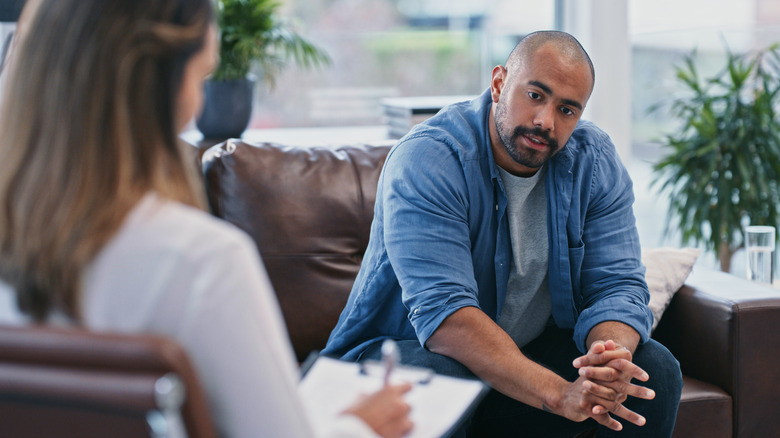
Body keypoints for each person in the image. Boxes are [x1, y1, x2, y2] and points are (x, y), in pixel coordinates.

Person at [0, 1, 413, 437]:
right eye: (201, 76)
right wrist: (358, 426)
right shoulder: (201, 261)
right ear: (162, 87)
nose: (198, 103)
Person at [323, 30, 683, 437]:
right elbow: (448, 320)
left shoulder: (593, 161)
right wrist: (559, 393)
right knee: (432, 376)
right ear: (498, 84)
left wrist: (609, 361)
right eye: (535, 95)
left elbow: (617, 285)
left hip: (520, 364)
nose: (545, 121)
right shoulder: (429, 158)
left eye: (567, 110)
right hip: (407, 358)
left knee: (652, 370)